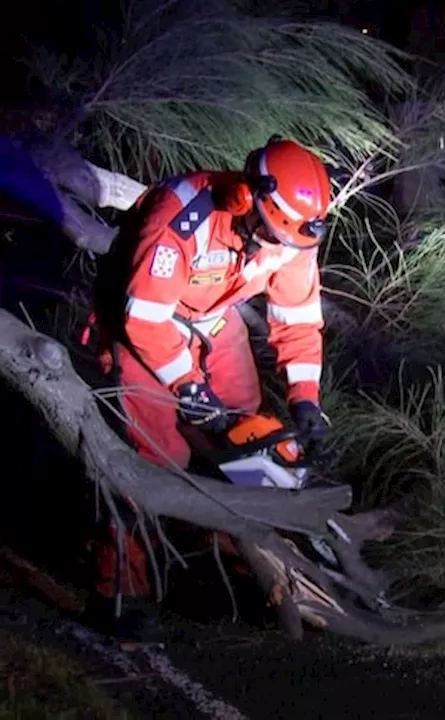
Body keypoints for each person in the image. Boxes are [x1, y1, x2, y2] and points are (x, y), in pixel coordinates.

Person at [82, 137, 334, 640]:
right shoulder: (183, 213)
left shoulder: (293, 237)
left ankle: (231, 563)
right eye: (273, 237)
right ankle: (117, 588)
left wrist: (306, 398)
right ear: (248, 201)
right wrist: (190, 388)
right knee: (154, 455)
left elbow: (299, 321)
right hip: (141, 328)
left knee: (246, 441)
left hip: (212, 324)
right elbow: (147, 320)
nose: (279, 253)